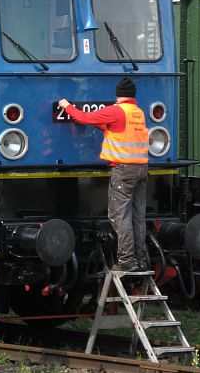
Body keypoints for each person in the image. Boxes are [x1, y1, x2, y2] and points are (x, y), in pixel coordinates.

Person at [58, 77, 149, 272]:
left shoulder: (116, 111)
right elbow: (117, 128)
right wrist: (103, 124)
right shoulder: (137, 113)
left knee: (120, 216)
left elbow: (83, 118)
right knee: (138, 217)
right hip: (142, 170)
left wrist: (66, 106)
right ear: (133, 96)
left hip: (123, 171)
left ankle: (126, 260)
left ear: (118, 94)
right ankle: (141, 259)